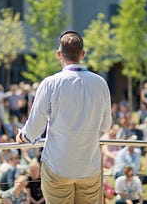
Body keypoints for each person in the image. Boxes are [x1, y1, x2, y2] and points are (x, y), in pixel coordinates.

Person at [16, 31, 112, 203]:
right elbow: (106, 125)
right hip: (89, 166)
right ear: (83, 54)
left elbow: (35, 126)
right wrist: (85, 137)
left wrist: (23, 136)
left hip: (58, 166)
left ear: (59, 54)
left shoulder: (50, 83)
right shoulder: (100, 83)